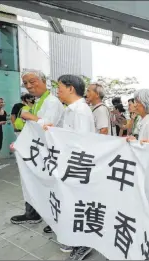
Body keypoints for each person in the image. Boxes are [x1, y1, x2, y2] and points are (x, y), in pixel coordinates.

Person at [44, 74, 95, 260]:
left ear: (71, 88)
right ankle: (75, 239)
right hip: (71, 163)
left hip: (78, 165)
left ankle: (84, 244)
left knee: (78, 204)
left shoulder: (80, 110)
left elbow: (81, 143)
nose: (58, 91)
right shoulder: (72, 109)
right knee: (71, 203)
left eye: (60, 87)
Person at [11, 69, 65, 230]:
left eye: (32, 81)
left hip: (48, 153)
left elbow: (48, 127)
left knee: (49, 185)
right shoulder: (39, 101)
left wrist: (28, 116)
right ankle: (34, 213)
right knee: (32, 182)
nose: (28, 86)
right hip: (37, 152)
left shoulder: (52, 102)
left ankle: (56, 218)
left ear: (43, 81)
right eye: (25, 83)